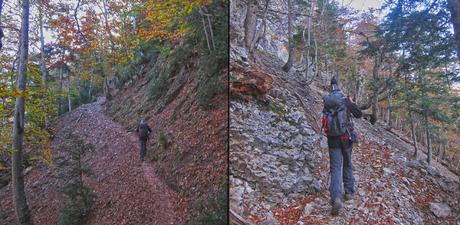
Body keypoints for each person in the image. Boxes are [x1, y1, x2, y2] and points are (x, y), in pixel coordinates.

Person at [322, 76, 362, 216]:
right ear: (339, 87)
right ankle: (349, 192)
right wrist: (351, 103)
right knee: (347, 164)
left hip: (332, 138)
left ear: (330, 86)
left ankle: (336, 197)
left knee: (335, 168)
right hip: (346, 137)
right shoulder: (345, 100)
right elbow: (359, 114)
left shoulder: (327, 101)